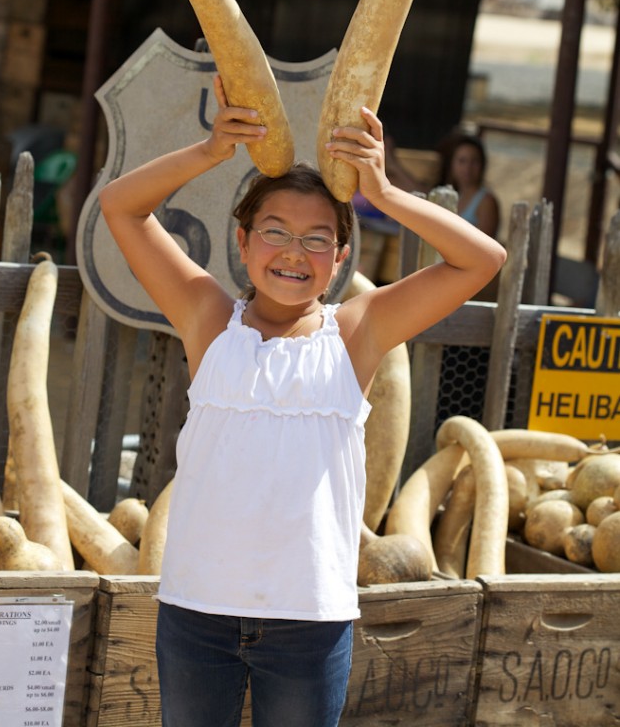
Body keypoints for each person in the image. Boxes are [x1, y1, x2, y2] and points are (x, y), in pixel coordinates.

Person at [99, 75, 506, 727]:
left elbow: (481, 260)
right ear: (242, 241)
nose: (295, 253)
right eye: (275, 231)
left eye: (318, 239)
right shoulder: (207, 319)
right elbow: (120, 207)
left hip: (309, 622)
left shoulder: (356, 332)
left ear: (341, 256)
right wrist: (209, 152)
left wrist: (385, 192)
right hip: (196, 611)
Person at [439, 132, 500, 239]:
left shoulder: (486, 201)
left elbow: (485, 246)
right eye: (462, 161)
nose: (468, 168)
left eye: (474, 161)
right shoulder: (454, 196)